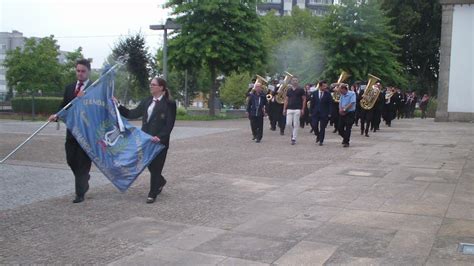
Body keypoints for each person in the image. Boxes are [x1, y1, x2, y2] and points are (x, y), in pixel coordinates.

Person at [117, 77, 176, 204]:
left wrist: (160, 137)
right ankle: (160, 181)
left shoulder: (169, 103)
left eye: (153, 85)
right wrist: (118, 106)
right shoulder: (147, 101)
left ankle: (152, 193)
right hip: (146, 140)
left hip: (159, 141)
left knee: (156, 167)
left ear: (161, 87)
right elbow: (132, 113)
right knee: (149, 164)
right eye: (150, 84)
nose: (151, 86)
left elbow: (169, 124)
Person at [48, 59, 93, 203]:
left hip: (87, 133)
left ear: (88, 72)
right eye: (78, 71)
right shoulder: (69, 88)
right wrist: (56, 115)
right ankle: (84, 178)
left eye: (83, 71)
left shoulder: (94, 88)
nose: (80, 74)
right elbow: (64, 106)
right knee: (71, 160)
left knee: (82, 163)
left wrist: (81, 98)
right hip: (72, 132)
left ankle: (80, 193)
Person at [284, 77, 306, 145]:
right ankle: (292, 134)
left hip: (297, 109)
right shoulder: (289, 90)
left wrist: (303, 109)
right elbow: (286, 100)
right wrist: (284, 109)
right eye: (293, 80)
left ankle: (294, 138)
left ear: (298, 81)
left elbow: (304, 99)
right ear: (291, 82)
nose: (295, 82)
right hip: (289, 108)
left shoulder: (301, 89)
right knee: (288, 123)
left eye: (296, 80)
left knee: (296, 124)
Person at [310, 80, 332, 146]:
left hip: (324, 113)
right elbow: (312, 103)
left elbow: (330, 104)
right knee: (314, 125)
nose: (325, 87)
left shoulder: (328, 94)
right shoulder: (314, 93)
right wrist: (310, 111)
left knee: (322, 127)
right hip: (315, 112)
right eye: (324, 86)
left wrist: (330, 112)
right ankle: (318, 135)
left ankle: (321, 141)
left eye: (326, 86)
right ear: (320, 86)